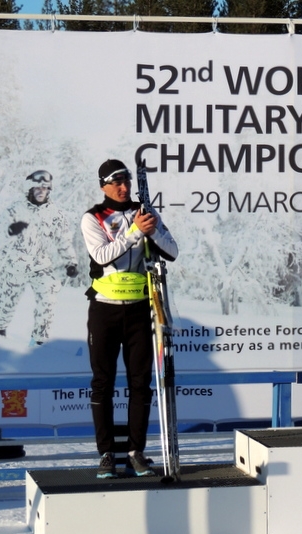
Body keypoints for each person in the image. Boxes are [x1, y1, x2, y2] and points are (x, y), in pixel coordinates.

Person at [81, 159, 178, 479]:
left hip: (140, 309)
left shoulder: (143, 212)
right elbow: (103, 256)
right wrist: (136, 231)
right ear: (103, 186)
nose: (123, 188)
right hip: (104, 310)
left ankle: (136, 452)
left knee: (141, 384)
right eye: (116, 182)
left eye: (126, 182)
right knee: (102, 384)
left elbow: (173, 251)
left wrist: (150, 231)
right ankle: (106, 453)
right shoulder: (93, 217)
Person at [0, 170, 78, 345]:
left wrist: (71, 262)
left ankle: (39, 342)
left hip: (41, 266)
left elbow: (64, 240)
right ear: (29, 189)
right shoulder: (15, 209)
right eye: (37, 187)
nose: (41, 191)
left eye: (45, 188)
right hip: (15, 265)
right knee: (7, 304)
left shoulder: (55, 213)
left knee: (49, 298)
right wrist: (10, 230)